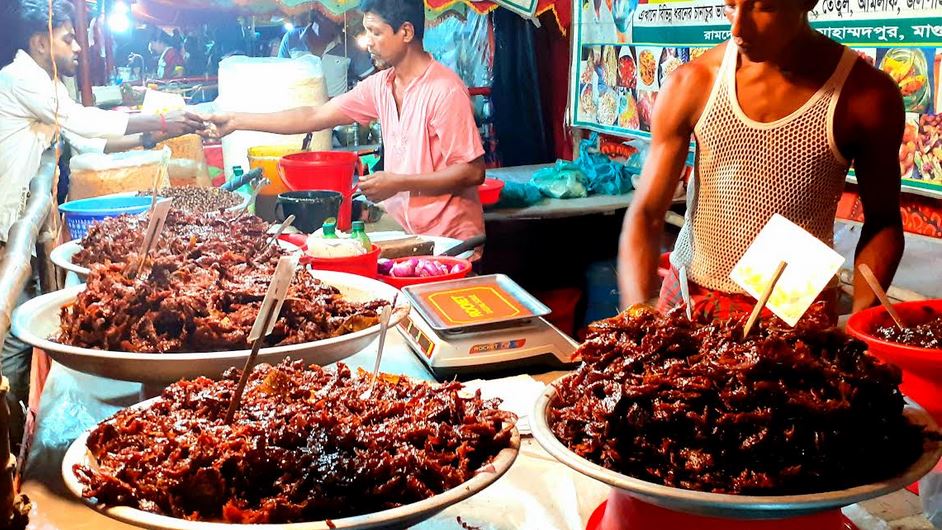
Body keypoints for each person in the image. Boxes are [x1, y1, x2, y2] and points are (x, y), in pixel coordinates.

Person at [617, 0, 904, 319]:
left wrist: (860, 322)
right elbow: (646, 212)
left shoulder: (865, 96)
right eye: (729, 6)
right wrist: (637, 314)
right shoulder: (692, 83)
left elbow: (883, 222)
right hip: (691, 292)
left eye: (764, 7)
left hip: (794, 309)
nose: (738, 28)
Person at [0, 0, 203, 440]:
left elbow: (86, 144)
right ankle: (11, 435)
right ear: (40, 42)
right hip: (4, 228)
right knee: (10, 334)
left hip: (18, 224)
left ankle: (17, 427)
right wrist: (164, 116)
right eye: (68, 39)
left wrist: (158, 134)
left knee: (17, 336)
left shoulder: (47, 84)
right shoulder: (19, 79)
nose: (77, 48)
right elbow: (84, 122)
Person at [205, 0, 486, 243]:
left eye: (375, 32)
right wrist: (235, 120)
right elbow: (314, 115)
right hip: (410, 233)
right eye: (366, 31)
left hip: (452, 240)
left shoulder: (444, 90)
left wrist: (397, 183)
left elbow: (472, 172)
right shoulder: (380, 86)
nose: (368, 41)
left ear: (406, 32)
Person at [277, 9, 373, 96]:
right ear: (318, 15)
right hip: (298, 110)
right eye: (333, 18)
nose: (340, 22)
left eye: (341, 20)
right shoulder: (291, 38)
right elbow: (279, 74)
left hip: (334, 113)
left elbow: (371, 79)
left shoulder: (350, 43)